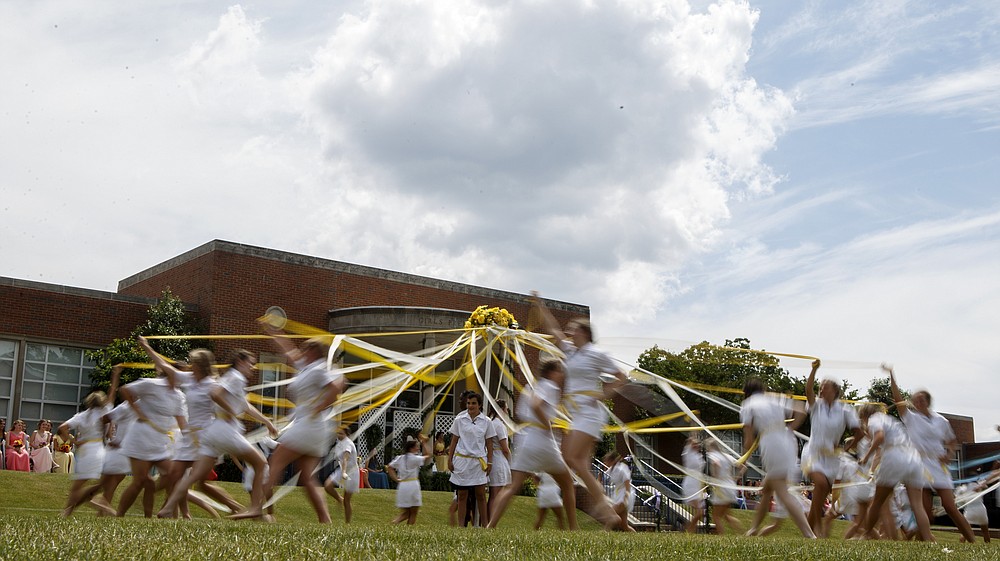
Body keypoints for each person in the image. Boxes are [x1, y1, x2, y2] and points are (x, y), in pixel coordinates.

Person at [531, 292, 628, 529]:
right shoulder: (571, 351)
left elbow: (621, 376)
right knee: (580, 464)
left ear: (584, 333)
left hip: (590, 413)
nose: (569, 333)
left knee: (570, 458)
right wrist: (540, 304)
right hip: (577, 414)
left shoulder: (597, 354)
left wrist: (603, 394)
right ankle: (611, 515)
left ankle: (606, 510)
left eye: (573, 329)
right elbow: (553, 330)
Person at [162, 348, 278, 519]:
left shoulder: (230, 377)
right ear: (240, 361)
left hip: (212, 433)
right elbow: (215, 394)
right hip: (225, 430)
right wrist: (230, 410)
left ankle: (167, 508)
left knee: (193, 477)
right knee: (261, 464)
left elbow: (245, 406)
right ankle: (255, 509)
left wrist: (267, 422)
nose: (252, 368)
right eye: (250, 364)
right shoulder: (237, 377)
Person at [253, 323, 345, 523]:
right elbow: (289, 350)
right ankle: (325, 521)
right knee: (306, 477)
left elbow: (338, 385)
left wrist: (319, 406)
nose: (300, 353)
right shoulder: (306, 367)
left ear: (312, 351)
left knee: (275, 462)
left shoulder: (319, 368)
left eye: (305, 349)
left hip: (309, 426)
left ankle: (256, 508)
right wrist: (274, 332)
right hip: (310, 427)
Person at [487, 359, 578, 530]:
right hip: (543, 442)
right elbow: (537, 405)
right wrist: (547, 424)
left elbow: (521, 413)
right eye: (559, 371)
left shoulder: (529, 387)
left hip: (526, 441)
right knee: (567, 484)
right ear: (551, 372)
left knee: (512, 486)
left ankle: (491, 525)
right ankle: (573, 528)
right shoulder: (551, 387)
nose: (562, 375)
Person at [888, 365, 976, 542]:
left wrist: (949, 453)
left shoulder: (941, 421)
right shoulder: (911, 418)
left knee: (950, 507)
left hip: (938, 465)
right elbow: (898, 400)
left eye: (922, 400)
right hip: (919, 465)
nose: (918, 403)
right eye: (916, 401)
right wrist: (892, 376)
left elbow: (951, 441)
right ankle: (923, 543)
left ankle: (972, 540)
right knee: (925, 511)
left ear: (928, 402)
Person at [115, 337, 187, 517]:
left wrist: (195, 440)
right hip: (140, 437)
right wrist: (137, 410)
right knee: (139, 481)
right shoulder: (151, 384)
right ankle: (119, 516)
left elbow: (182, 423)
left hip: (160, 441)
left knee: (173, 475)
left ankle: (151, 515)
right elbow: (124, 390)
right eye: (182, 373)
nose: (184, 378)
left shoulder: (178, 396)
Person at [740, 377, 816, 538]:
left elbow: (748, 439)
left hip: (771, 443)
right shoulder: (773, 398)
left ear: (746, 393)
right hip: (788, 439)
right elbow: (801, 409)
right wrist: (790, 428)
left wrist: (743, 460)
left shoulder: (747, 405)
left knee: (781, 491)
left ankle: (809, 535)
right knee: (767, 489)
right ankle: (753, 530)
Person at [801, 360, 863, 537]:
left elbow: (859, 433)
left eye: (825, 387)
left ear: (835, 391)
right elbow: (808, 392)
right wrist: (813, 370)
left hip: (832, 459)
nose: (821, 390)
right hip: (812, 453)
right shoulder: (816, 406)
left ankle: (810, 534)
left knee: (819, 500)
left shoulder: (845, 410)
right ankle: (811, 532)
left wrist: (846, 447)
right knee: (819, 485)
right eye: (820, 387)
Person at [855, 401, 933, 540]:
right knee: (917, 505)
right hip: (913, 458)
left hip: (894, 457)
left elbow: (879, 437)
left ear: (865, 416)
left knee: (877, 502)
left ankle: (866, 534)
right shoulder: (891, 420)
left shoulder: (874, 419)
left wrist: (866, 457)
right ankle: (928, 539)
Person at [58, 366, 120, 517]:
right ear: (102, 401)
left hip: (84, 450)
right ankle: (96, 503)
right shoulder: (104, 411)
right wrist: (115, 374)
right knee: (100, 484)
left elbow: (62, 428)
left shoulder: (82, 415)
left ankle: (67, 512)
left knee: (78, 485)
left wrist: (71, 439)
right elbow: (113, 391)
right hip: (97, 449)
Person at [448, 391, 495, 528]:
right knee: (462, 494)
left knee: (480, 494)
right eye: (468, 403)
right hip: (462, 461)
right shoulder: (459, 420)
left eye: (474, 403)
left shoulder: (487, 422)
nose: (470, 406)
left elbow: (489, 443)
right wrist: (450, 460)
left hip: (478, 462)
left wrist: (490, 461)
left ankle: (485, 525)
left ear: (479, 405)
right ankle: (461, 526)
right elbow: (454, 441)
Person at [387, 434, 432, 525]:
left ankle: (394, 523)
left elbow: (390, 467)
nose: (418, 449)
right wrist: (424, 443)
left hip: (402, 486)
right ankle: (397, 524)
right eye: (416, 447)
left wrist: (396, 479)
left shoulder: (400, 458)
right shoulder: (415, 459)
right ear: (411, 448)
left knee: (406, 513)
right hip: (413, 485)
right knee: (414, 512)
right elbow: (428, 455)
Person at [706, 438, 743, 534]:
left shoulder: (713, 455)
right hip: (730, 486)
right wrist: (735, 478)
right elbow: (743, 467)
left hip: (721, 487)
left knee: (716, 516)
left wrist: (715, 477)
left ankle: (722, 537)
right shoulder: (727, 456)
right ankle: (744, 534)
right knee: (726, 515)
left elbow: (716, 463)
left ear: (711, 447)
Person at [324, 427, 360, 523]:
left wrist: (344, 472)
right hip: (342, 469)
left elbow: (345, 459)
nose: (339, 435)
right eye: (338, 433)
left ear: (347, 435)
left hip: (352, 472)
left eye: (341, 433)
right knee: (327, 485)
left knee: (347, 500)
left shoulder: (348, 443)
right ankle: (339, 499)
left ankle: (347, 524)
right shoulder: (339, 442)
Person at [486, 399, 512, 525]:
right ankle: (491, 522)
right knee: (496, 495)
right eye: (506, 409)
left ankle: (489, 522)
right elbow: (505, 449)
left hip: (493, 458)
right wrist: (511, 463)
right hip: (499, 459)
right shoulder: (499, 425)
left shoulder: (491, 423)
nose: (507, 411)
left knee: (493, 494)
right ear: (501, 409)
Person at [606, 451, 636, 532]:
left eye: (607, 460)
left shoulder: (622, 468)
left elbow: (627, 484)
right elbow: (603, 477)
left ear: (612, 460)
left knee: (611, 514)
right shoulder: (611, 469)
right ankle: (637, 538)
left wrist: (625, 498)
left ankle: (605, 532)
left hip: (624, 494)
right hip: (618, 494)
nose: (606, 463)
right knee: (624, 526)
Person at [681, 436, 705, 533]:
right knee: (699, 512)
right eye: (695, 444)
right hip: (691, 484)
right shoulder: (688, 453)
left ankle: (689, 530)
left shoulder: (698, 456)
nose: (697, 446)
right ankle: (688, 530)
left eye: (698, 444)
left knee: (701, 512)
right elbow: (691, 439)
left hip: (697, 484)